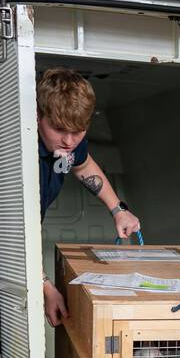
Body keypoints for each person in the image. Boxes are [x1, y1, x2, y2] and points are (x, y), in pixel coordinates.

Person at [35, 67, 141, 327]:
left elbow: (82, 165)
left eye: (78, 131)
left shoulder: (67, 142)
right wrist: (46, 289)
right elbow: (13, 236)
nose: (70, 141)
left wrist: (118, 210)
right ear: (38, 116)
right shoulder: (22, 154)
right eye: (59, 129)